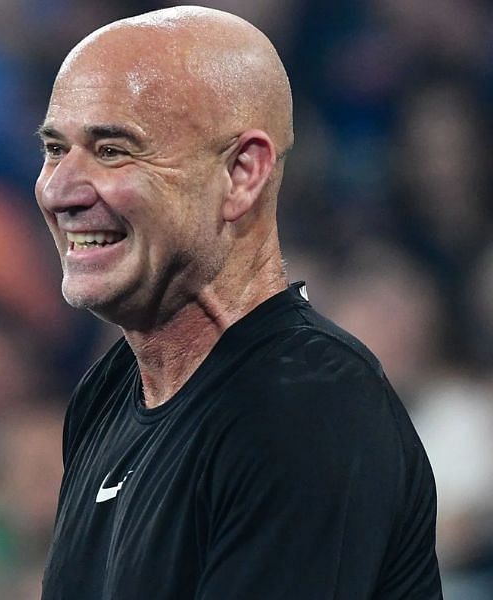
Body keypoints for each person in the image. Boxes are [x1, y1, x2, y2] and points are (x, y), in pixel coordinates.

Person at [34, 7, 441, 598]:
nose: (58, 190)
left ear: (243, 172)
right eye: (54, 148)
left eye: (114, 149)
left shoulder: (308, 407)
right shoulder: (107, 391)